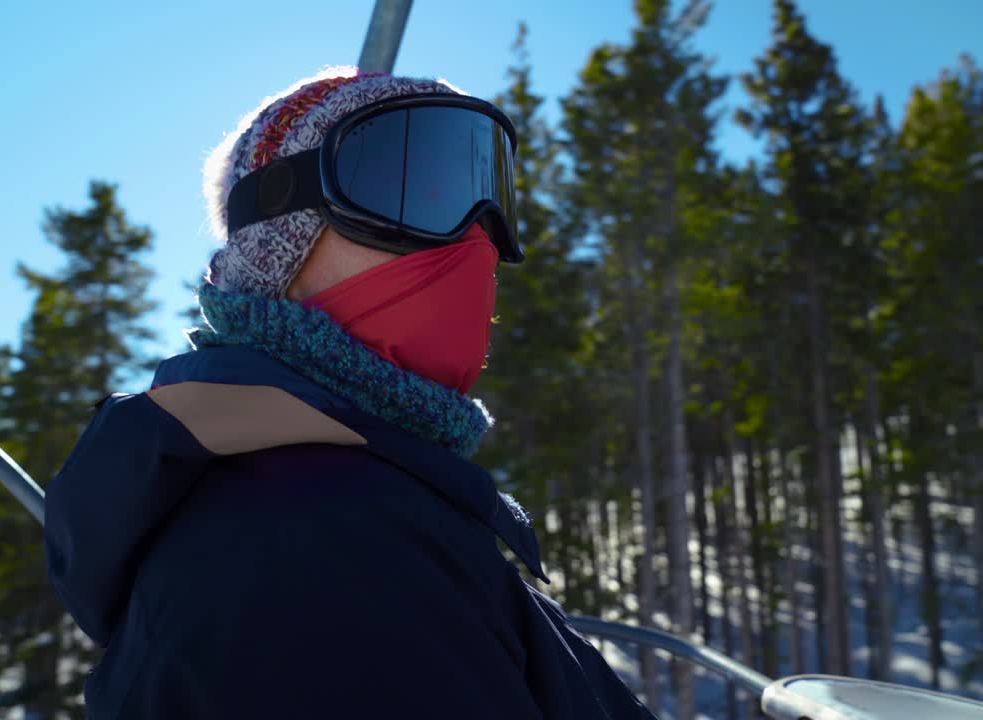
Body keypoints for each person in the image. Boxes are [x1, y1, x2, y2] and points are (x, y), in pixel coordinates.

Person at [43, 67, 657, 719]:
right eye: (409, 188)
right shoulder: (317, 551)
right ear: (279, 241)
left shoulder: (378, 506)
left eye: (486, 192)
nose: (476, 235)